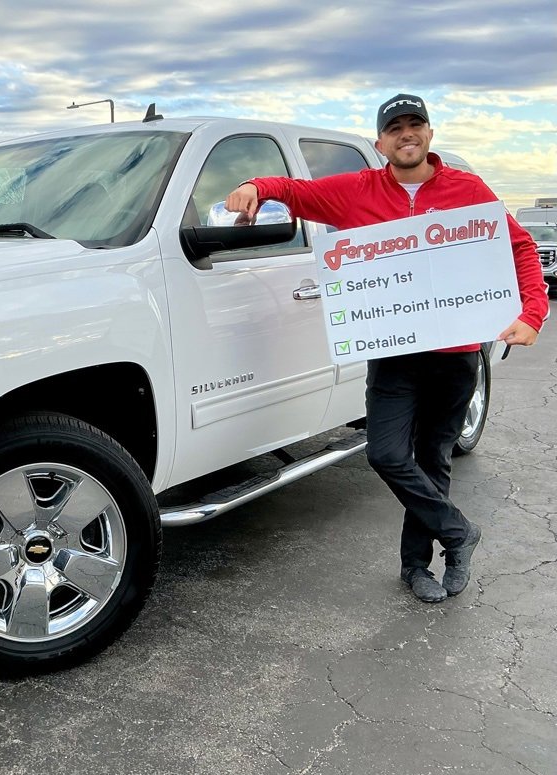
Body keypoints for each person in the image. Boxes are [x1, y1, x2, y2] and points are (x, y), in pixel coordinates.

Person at [226, 93, 548, 603]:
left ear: (429, 134)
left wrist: (532, 314)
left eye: (415, 124)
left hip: (456, 357)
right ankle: (459, 532)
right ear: (381, 143)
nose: (406, 134)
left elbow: (519, 246)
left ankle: (418, 567)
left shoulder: (468, 189)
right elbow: (292, 190)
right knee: (386, 453)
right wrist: (254, 186)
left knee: (433, 458)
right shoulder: (355, 190)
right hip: (394, 354)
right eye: (395, 128)